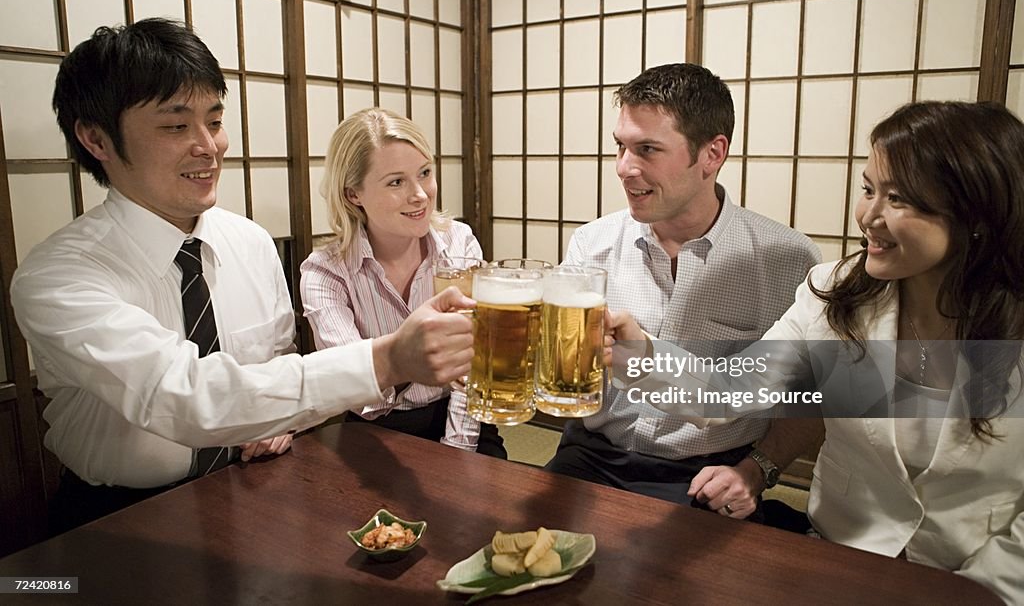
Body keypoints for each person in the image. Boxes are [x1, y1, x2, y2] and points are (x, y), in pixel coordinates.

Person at [10, 18, 474, 534]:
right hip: (119, 513)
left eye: (214, 121)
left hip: (259, 483)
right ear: (97, 139)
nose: (208, 146)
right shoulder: (59, 276)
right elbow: (185, 397)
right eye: (175, 126)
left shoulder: (250, 243)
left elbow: (277, 364)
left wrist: (281, 424)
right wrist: (389, 358)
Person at [615, 100, 1024, 603]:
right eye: (869, 190)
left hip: (977, 586)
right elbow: (730, 390)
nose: (869, 217)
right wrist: (638, 353)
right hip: (838, 562)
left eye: (899, 198)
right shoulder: (835, 293)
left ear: (976, 217)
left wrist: (975, 594)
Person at [544, 63, 823, 520]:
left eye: (647, 149)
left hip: (709, 471)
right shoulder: (591, 244)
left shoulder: (787, 259)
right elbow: (560, 372)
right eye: (620, 146)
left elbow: (809, 399)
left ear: (712, 154)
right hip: (593, 454)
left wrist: (756, 470)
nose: (623, 168)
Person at [300, 108, 506, 457]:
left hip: (462, 415)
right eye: (396, 182)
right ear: (353, 194)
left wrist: (457, 449)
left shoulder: (459, 243)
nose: (421, 195)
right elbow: (356, 390)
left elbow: (472, 366)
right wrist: (405, 358)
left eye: (425, 173)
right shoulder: (326, 273)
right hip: (376, 429)